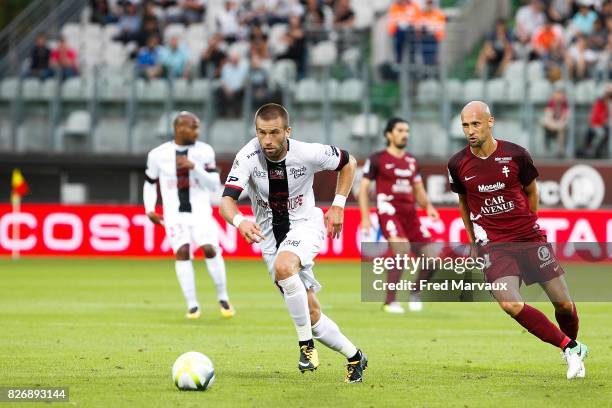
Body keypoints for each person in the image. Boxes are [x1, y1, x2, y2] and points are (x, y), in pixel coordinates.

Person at [219, 103, 367, 383]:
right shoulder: (248, 156)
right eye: (261, 133)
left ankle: (305, 347)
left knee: (284, 266)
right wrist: (240, 221)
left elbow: (349, 162)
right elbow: (226, 201)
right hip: (270, 240)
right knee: (311, 313)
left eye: (274, 133)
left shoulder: (307, 152)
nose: (267, 140)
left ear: (288, 131)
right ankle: (355, 356)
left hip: (306, 225)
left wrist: (338, 205)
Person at [447, 101, 588, 380]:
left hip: (528, 238)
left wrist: (530, 223)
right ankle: (570, 347)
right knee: (510, 304)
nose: (470, 131)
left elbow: (531, 190)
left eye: (475, 124)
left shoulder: (516, 155)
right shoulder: (457, 164)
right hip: (494, 245)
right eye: (465, 125)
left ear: (490, 122)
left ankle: (572, 348)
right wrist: (473, 239)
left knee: (564, 305)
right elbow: (463, 202)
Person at [143, 111, 235, 319]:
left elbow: (213, 184)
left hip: (201, 212)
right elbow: (149, 183)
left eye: (198, 126)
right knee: (182, 251)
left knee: (210, 249)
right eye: (193, 127)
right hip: (174, 215)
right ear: (179, 128)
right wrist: (149, 208)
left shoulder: (205, 151)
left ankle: (223, 296)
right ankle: (192, 305)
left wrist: (194, 167)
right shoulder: (158, 154)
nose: (197, 131)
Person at [358, 118, 440, 314]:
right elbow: (363, 189)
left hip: (410, 214)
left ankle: (415, 293)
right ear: (388, 134)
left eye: (407, 131)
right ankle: (390, 302)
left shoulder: (412, 161)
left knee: (433, 258)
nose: (405, 134)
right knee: (402, 250)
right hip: (389, 211)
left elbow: (418, 189)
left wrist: (428, 206)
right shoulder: (377, 159)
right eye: (400, 130)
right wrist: (365, 217)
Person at [579, 84, 611, 158]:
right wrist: (604, 120)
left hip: (606, 125)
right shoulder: (599, 103)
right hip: (596, 124)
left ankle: (604, 151)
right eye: (608, 94)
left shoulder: (608, 104)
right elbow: (595, 117)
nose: (609, 97)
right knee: (601, 133)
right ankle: (592, 150)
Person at [539, 83, 569, 157]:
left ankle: (560, 151)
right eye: (557, 93)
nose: (559, 95)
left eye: (560, 93)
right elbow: (548, 117)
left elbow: (565, 118)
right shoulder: (551, 103)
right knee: (543, 122)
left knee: (562, 129)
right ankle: (546, 151)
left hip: (560, 126)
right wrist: (554, 125)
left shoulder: (565, 104)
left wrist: (558, 125)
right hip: (551, 126)